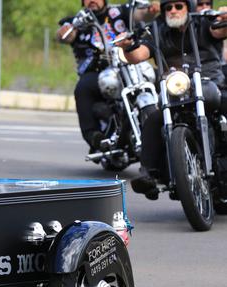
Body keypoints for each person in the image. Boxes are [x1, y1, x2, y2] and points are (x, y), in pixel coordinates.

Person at [115, 0, 227, 199]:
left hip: (211, 84)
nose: (173, 11)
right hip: (176, 91)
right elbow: (138, 54)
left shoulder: (202, 23)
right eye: (168, 8)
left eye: (178, 6)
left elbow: (219, 31)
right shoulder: (157, 31)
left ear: (188, 7)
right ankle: (149, 174)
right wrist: (127, 46)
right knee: (153, 121)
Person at [57, 0, 134, 152]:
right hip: (95, 72)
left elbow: (139, 14)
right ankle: (93, 135)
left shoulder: (119, 12)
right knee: (83, 88)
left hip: (125, 68)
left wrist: (151, 9)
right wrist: (65, 33)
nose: (92, 0)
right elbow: (65, 35)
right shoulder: (79, 21)